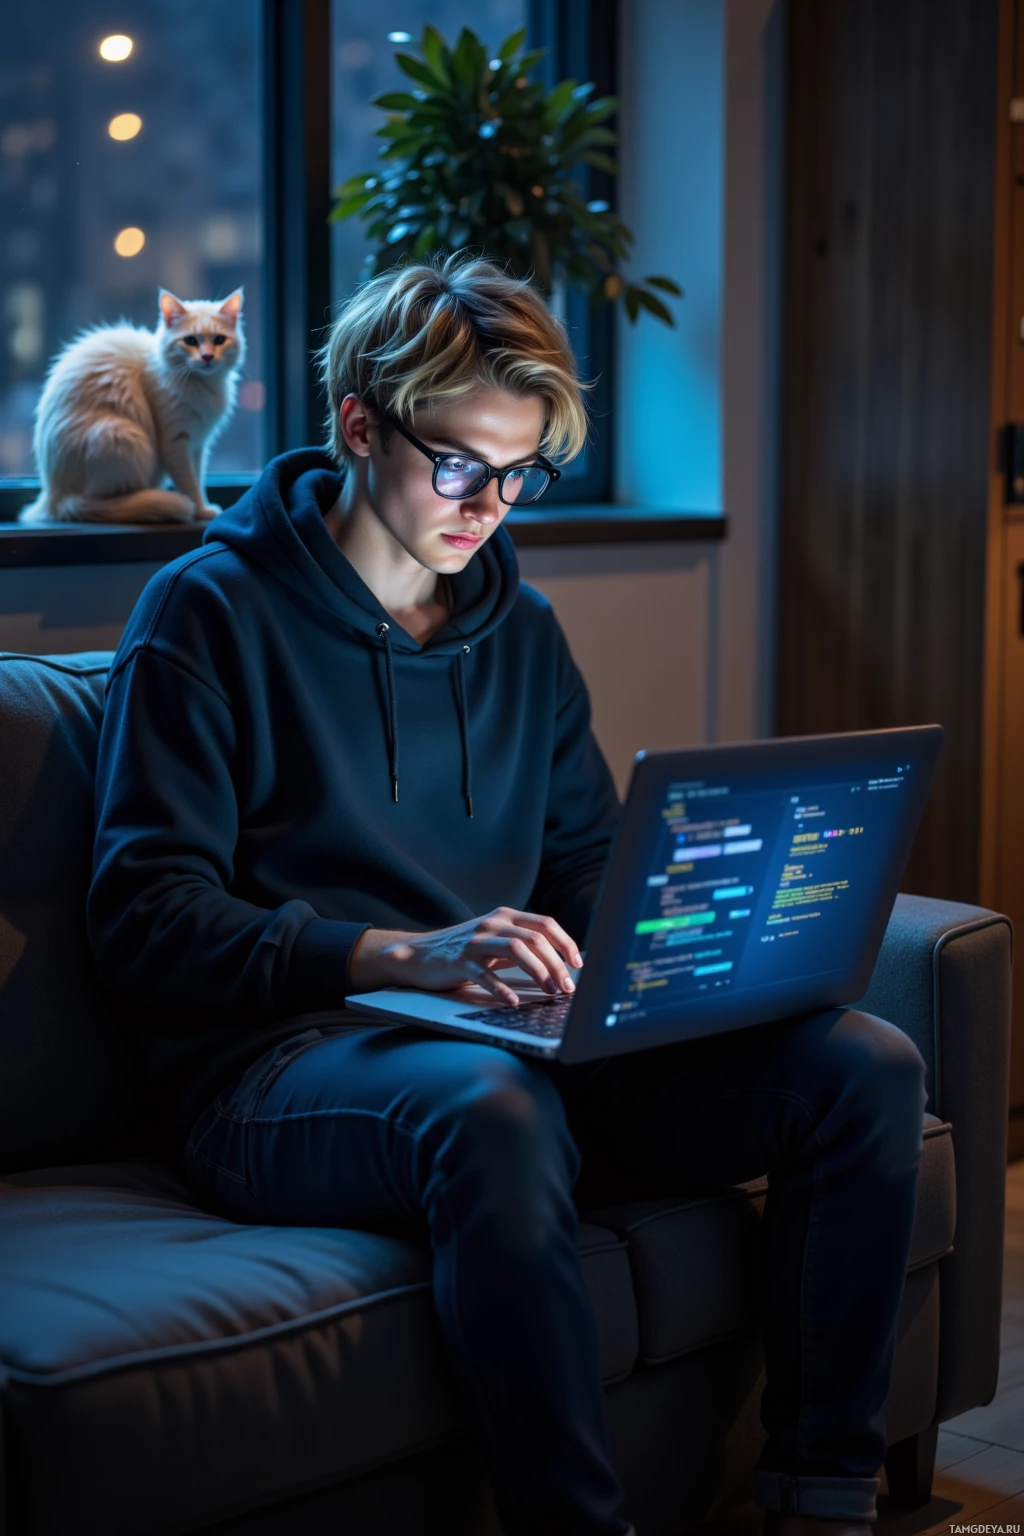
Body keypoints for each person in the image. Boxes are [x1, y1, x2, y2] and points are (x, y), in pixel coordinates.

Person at [87, 251, 928, 1536]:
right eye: (460, 463)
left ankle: (823, 1501)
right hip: (275, 1067)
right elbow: (145, 917)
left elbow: (586, 863)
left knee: (858, 1066)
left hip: (503, 1041)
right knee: (492, 1108)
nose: (490, 502)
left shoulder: (518, 627)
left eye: (520, 468)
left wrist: (684, 950)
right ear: (362, 424)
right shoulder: (206, 613)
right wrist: (394, 955)